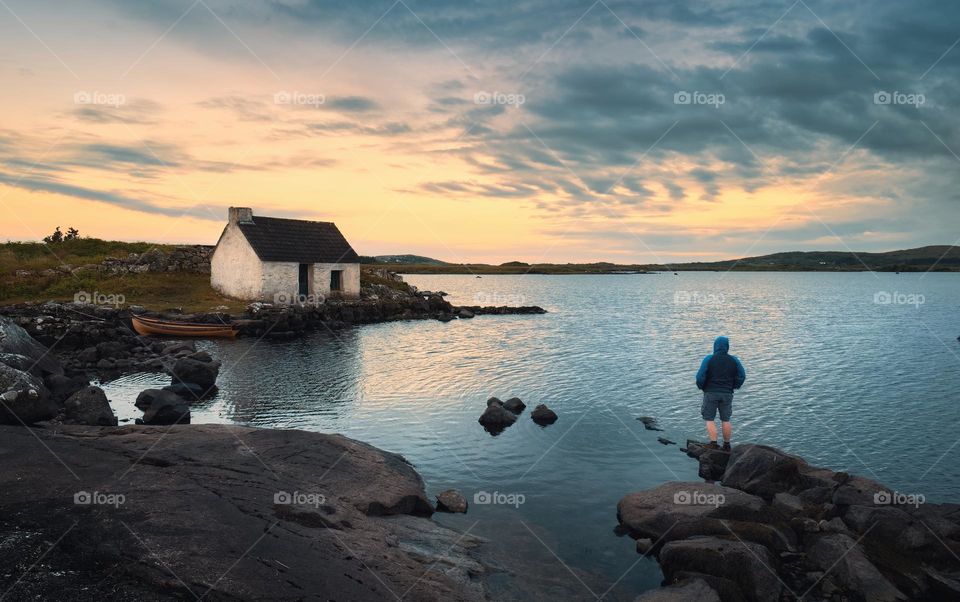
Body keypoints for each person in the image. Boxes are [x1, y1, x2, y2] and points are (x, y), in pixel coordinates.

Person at [695, 336, 746, 451]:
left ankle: (713, 443)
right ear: (727, 346)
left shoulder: (708, 359)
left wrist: (701, 386)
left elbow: (700, 376)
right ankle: (727, 445)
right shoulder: (734, 360)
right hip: (727, 393)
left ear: (715, 346)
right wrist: (735, 386)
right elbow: (742, 376)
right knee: (726, 419)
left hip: (711, 392)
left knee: (709, 418)